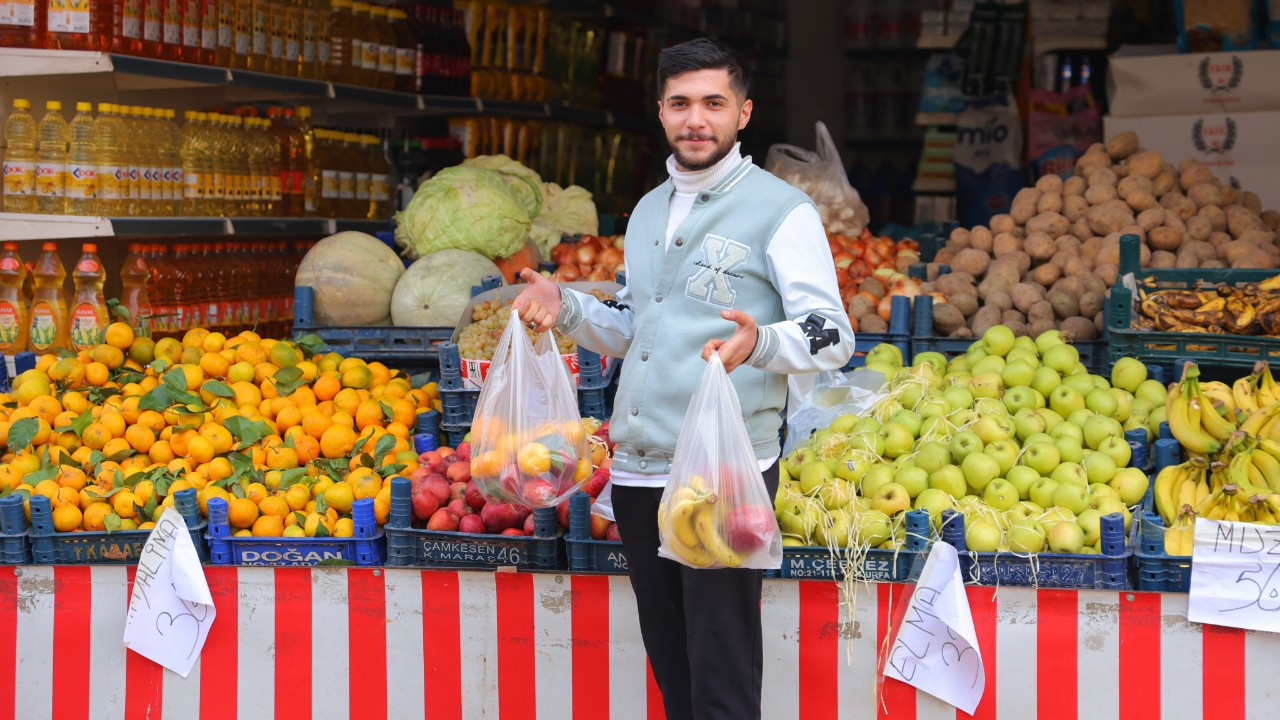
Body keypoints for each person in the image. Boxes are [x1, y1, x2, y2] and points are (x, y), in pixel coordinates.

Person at [513, 37, 855, 720]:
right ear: (662, 112)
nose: (695, 119)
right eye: (680, 104)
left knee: (722, 668)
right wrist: (568, 308)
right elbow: (635, 326)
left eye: (713, 103)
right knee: (672, 664)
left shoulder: (780, 211)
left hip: (723, 470)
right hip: (640, 470)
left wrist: (759, 342)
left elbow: (833, 334)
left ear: (743, 113)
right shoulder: (646, 210)